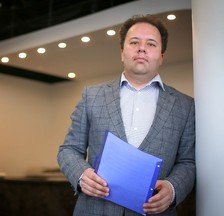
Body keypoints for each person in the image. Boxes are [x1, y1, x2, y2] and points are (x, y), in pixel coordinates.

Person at [57, 14, 195, 216]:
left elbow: (188, 162)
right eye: (134, 42)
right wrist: (81, 174)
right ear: (122, 52)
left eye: (151, 44)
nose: (142, 48)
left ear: (162, 57)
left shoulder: (186, 106)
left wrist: (173, 188)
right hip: (94, 210)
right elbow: (68, 149)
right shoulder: (91, 96)